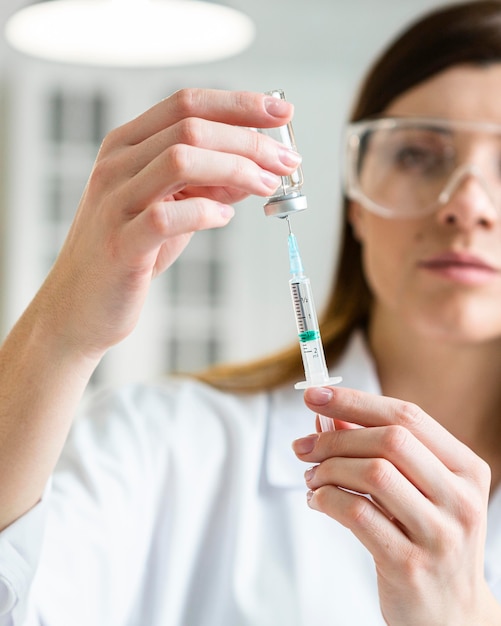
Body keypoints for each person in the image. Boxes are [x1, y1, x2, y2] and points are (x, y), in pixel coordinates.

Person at [2, 0, 501, 623]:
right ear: (355, 200)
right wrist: (58, 332)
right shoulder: (164, 444)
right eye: (419, 155)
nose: (469, 207)